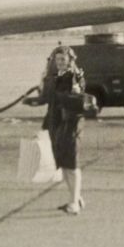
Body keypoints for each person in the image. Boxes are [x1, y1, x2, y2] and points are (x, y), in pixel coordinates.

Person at [39, 45, 86, 215]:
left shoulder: (75, 76)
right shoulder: (52, 77)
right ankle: (76, 197)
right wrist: (43, 80)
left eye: (63, 59)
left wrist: (75, 89)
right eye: (57, 59)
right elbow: (45, 98)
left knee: (72, 163)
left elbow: (76, 96)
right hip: (55, 122)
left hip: (71, 123)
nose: (59, 62)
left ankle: (74, 203)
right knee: (64, 163)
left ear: (70, 60)